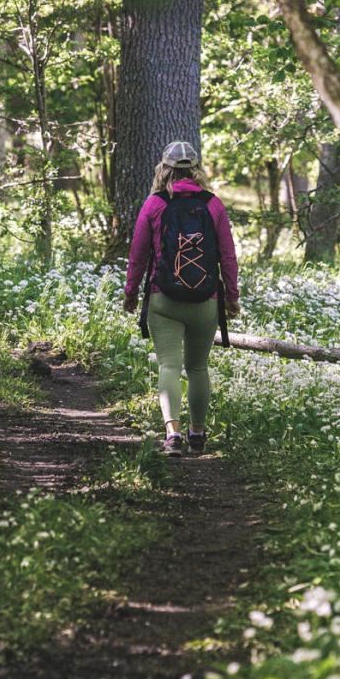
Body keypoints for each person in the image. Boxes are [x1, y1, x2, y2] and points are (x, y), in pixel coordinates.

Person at [122, 141, 240, 457]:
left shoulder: (154, 205)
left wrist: (130, 293)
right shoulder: (213, 205)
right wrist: (231, 297)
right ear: (196, 170)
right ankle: (198, 434)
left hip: (165, 299)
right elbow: (228, 256)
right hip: (205, 301)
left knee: (169, 366)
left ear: (164, 169)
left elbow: (138, 254)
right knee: (199, 367)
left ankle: (172, 434)